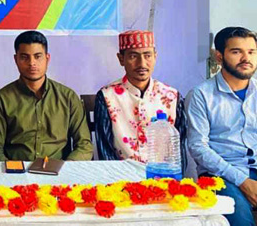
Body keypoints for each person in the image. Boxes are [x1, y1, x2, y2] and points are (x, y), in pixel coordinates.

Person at [0, 30, 92, 161]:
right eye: (24, 57)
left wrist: (67, 167)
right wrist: (14, 170)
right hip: (16, 169)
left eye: (37, 56)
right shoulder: (2, 99)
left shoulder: (68, 97)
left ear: (47, 58)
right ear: (16, 60)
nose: (32, 63)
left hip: (59, 169)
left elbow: (84, 146)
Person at [186, 26, 257, 226]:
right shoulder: (201, 95)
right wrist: (242, 180)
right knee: (238, 215)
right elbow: (198, 147)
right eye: (236, 52)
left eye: (251, 52)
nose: (246, 58)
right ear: (219, 57)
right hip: (220, 174)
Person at [94, 30, 187, 172]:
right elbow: (105, 151)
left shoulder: (172, 97)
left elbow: (180, 150)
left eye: (147, 55)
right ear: (121, 59)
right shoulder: (107, 96)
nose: (142, 63)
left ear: (155, 56)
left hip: (163, 177)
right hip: (121, 178)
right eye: (133, 56)